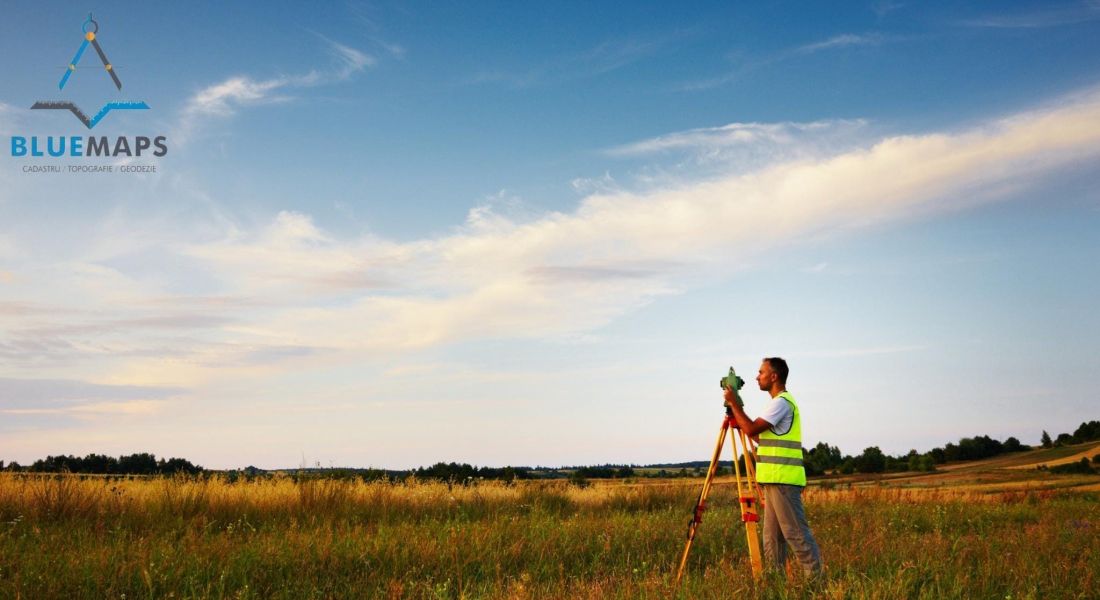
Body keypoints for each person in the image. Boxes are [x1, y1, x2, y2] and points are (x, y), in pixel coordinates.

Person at [724, 357, 822, 578]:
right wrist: (738, 413)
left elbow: (750, 430)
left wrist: (734, 404)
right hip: (774, 481)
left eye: (761, 372)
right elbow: (760, 437)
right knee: (772, 539)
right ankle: (775, 585)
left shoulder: (781, 403)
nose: (757, 377)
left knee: (796, 535)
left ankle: (816, 584)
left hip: (783, 481)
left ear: (774, 376)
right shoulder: (778, 403)